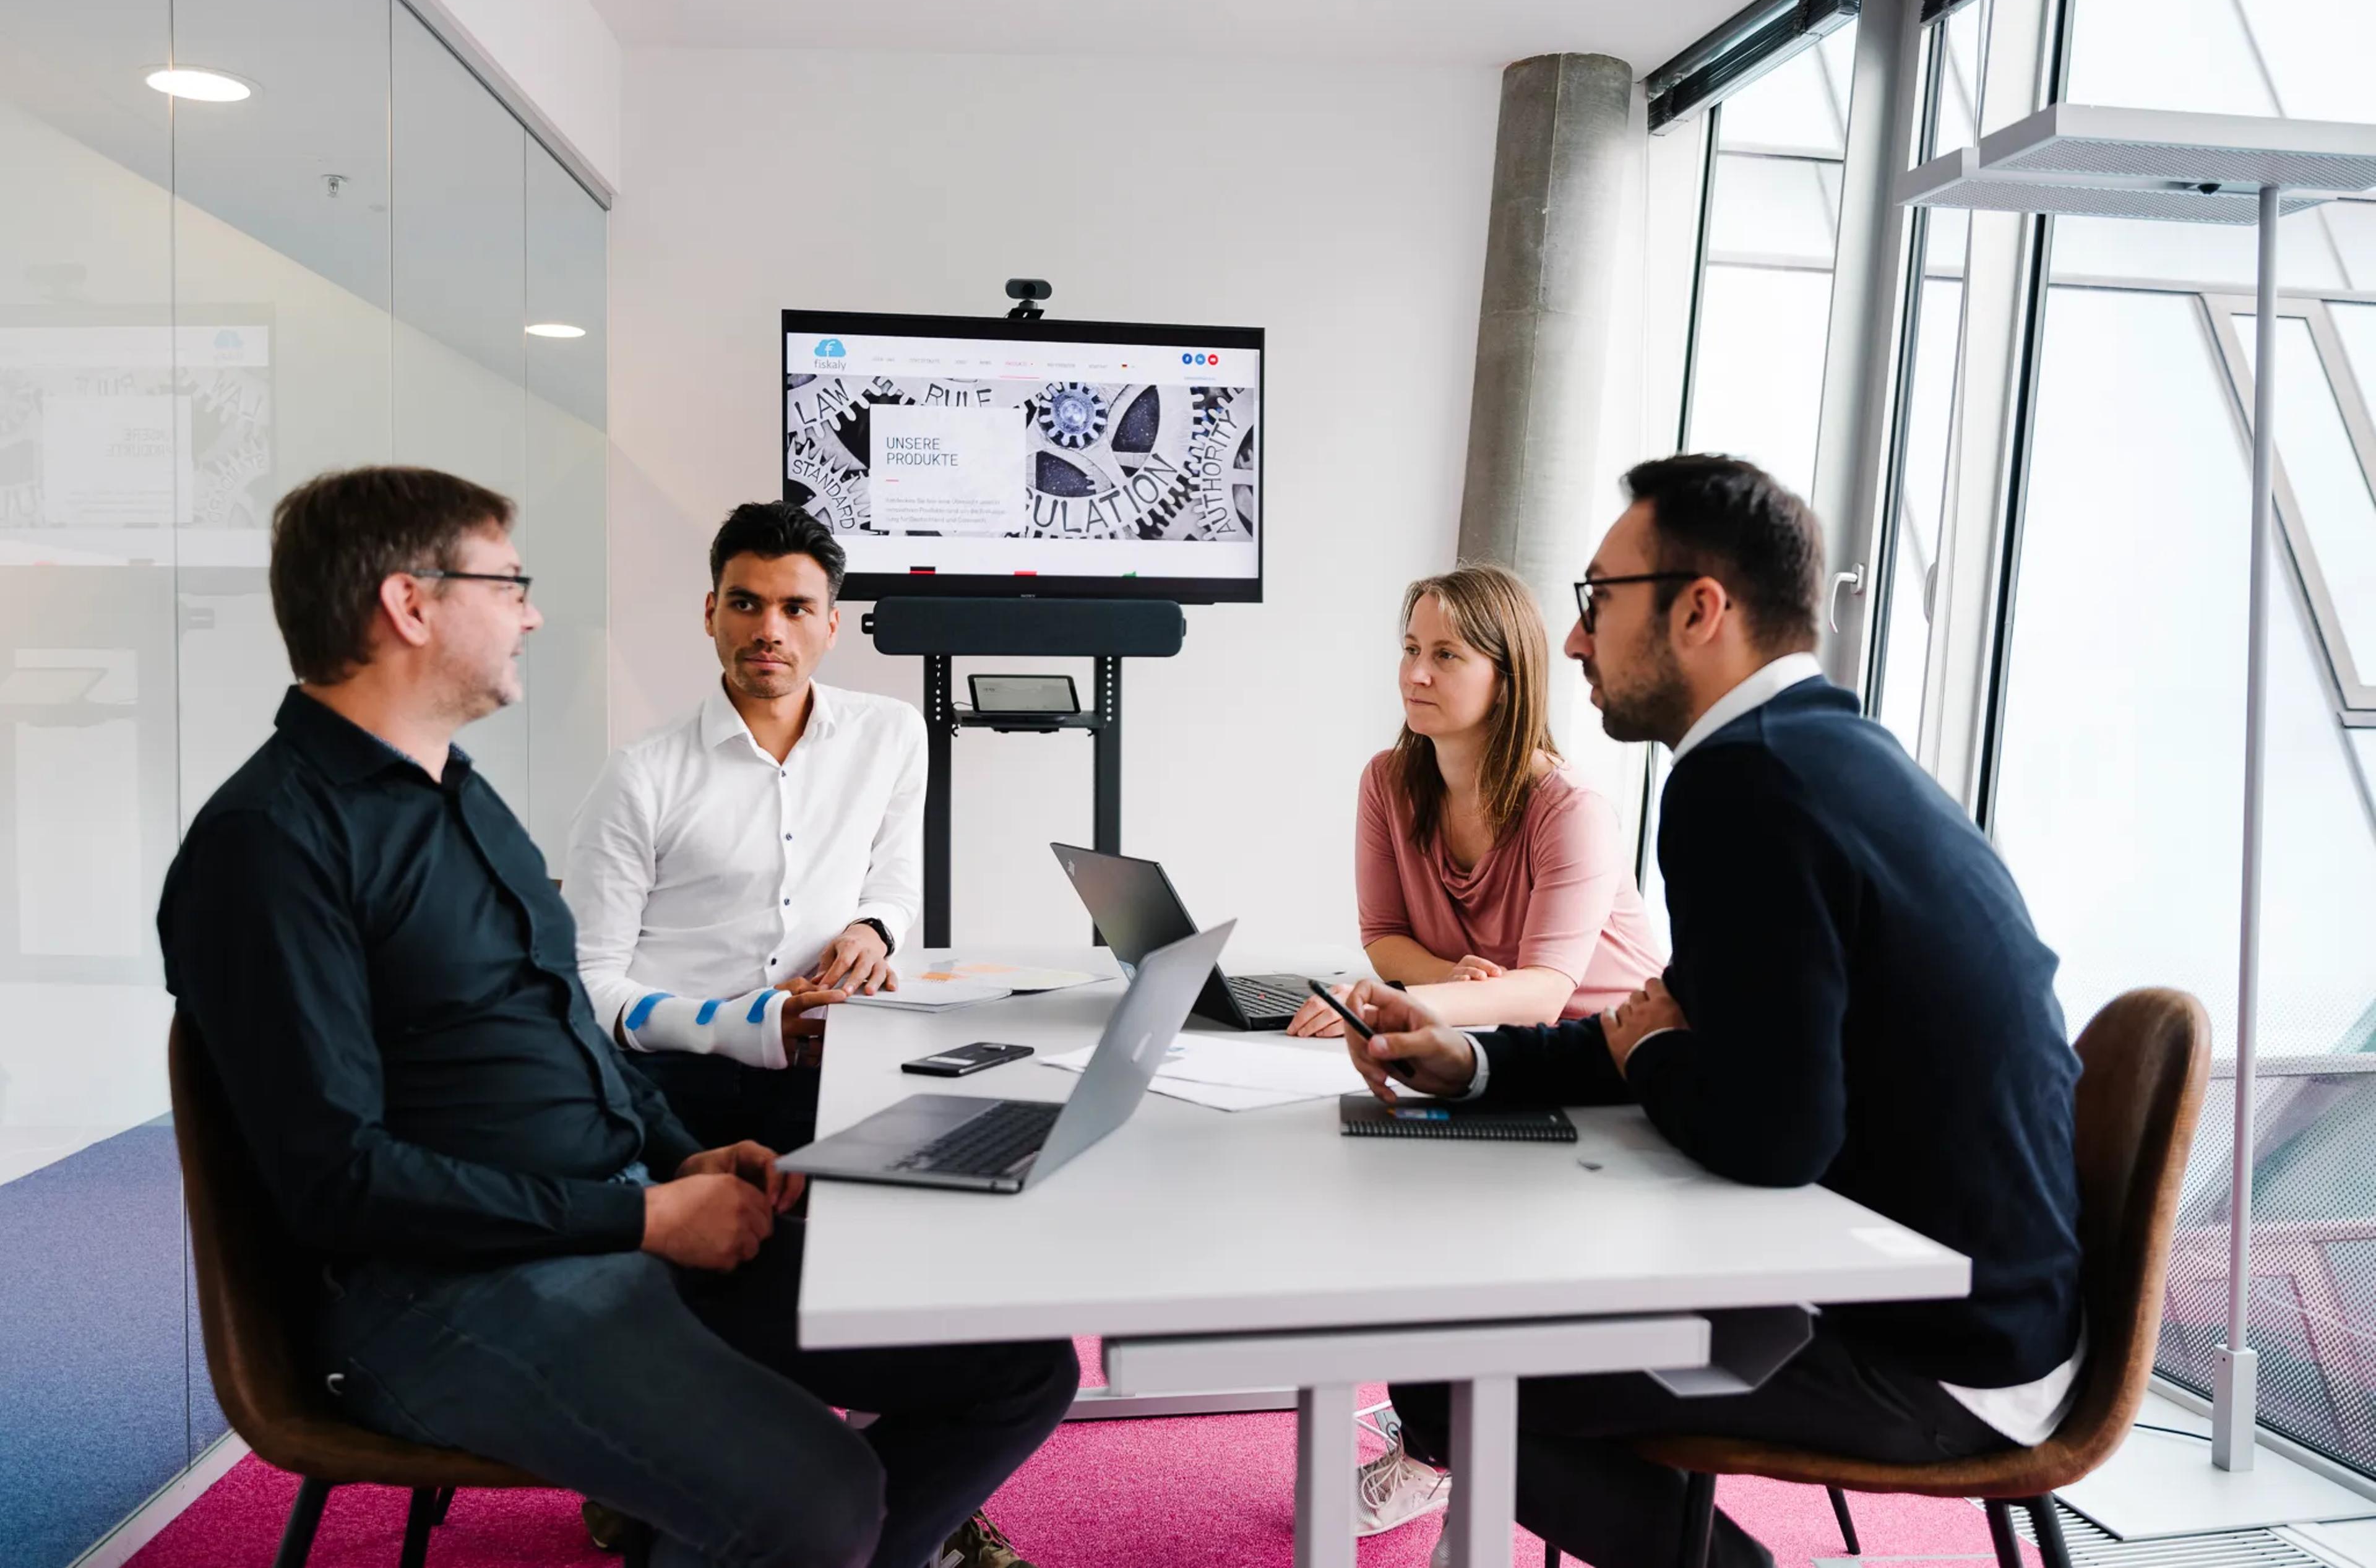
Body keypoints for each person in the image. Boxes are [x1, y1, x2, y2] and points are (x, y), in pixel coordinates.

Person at [157, 467, 1076, 1568]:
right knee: (812, 1491)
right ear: (411, 604)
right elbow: (340, 1181)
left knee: (1021, 1364)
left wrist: (691, 1158)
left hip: (610, 1222)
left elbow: (568, 1033)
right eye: (507, 582)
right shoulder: (270, 844)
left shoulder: (460, 799)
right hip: (447, 1295)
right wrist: (641, 1218)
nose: (533, 612)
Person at [1341, 455, 2085, 1568]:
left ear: (1700, 608)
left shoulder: (1743, 784)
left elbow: (1771, 1134)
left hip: (1935, 1343)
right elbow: (1662, 1017)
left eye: (1598, 600)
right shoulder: (1824, 750)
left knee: (1449, 1377)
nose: (1578, 640)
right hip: (1965, 1295)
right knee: (1471, 1341)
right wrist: (1480, 1062)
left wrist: (1653, 1058)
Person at [564, 501, 923, 1156]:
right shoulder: (639, 774)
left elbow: (895, 881)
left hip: (828, 1063)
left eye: (796, 608)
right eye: (746, 604)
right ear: (711, 614)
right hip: (675, 1083)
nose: (769, 630)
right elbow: (588, 986)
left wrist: (873, 930)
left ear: (832, 625)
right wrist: (745, 1025)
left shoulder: (892, 734)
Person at [1286, 563, 1664, 1045]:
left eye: (1446, 655)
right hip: (1500, 1040)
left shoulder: (1573, 810)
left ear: (1507, 680)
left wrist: (1387, 1006)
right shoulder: (1386, 781)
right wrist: (1451, 980)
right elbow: (1384, 935)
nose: (1416, 674)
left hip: (1614, 1053)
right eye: (1411, 650)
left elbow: (1543, 993)